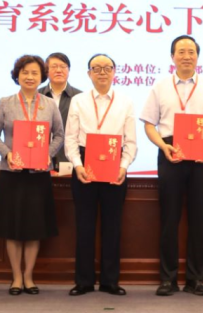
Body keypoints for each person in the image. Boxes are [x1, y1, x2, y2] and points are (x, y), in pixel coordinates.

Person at [140, 35, 203, 296]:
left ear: (197, 57)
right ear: (172, 57)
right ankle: (167, 279)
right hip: (171, 153)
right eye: (181, 51)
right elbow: (149, 124)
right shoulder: (160, 86)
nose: (187, 56)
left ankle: (196, 278)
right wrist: (162, 146)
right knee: (169, 218)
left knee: (199, 218)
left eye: (191, 51)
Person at [0, 55, 65, 296]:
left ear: (42, 77)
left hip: (38, 175)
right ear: (17, 76)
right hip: (12, 173)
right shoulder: (5, 103)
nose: (30, 77)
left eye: (34, 73)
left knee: (34, 228)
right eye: (25, 72)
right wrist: (7, 153)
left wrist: (47, 154)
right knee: (13, 228)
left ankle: (29, 276)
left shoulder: (49, 104)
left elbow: (60, 135)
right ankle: (16, 277)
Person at [65, 54, 137, 296]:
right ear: (89, 74)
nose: (102, 72)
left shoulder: (125, 102)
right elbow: (70, 139)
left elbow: (131, 141)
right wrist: (77, 165)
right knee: (84, 226)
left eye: (107, 68)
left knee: (112, 226)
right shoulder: (78, 101)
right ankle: (83, 281)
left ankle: (110, 281)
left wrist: (124, 166)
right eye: (96, 68)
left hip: (114, 165)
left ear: (114, 72)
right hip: (85, 164)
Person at [39, 52, 82, 169]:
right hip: (40, 158)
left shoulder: (80, 97)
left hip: (70, 158)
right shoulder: (37, 95)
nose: (58, 70)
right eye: (54, 66)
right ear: (46, 71)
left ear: (69, 70)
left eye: (63, 66)